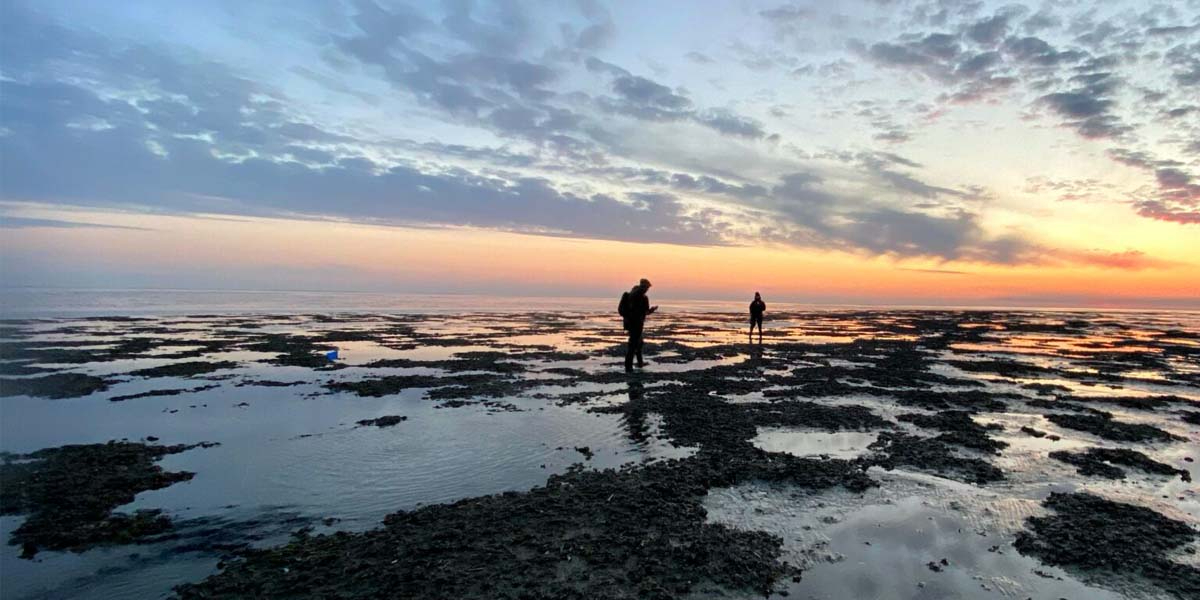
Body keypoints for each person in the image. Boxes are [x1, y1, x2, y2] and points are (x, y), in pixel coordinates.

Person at [619, 278, 658, 371]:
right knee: (633, 345)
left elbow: (644, 312)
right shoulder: (640, 297)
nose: (647, 289)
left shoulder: (630, 295)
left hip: (631, 323)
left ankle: (639, 364)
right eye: (647, 287)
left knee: (638, 344)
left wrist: (651, 310)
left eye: (647, 288)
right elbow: (645, 312)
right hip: (636, 324)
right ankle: (629, 367)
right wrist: (651, 310)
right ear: (643, 287)